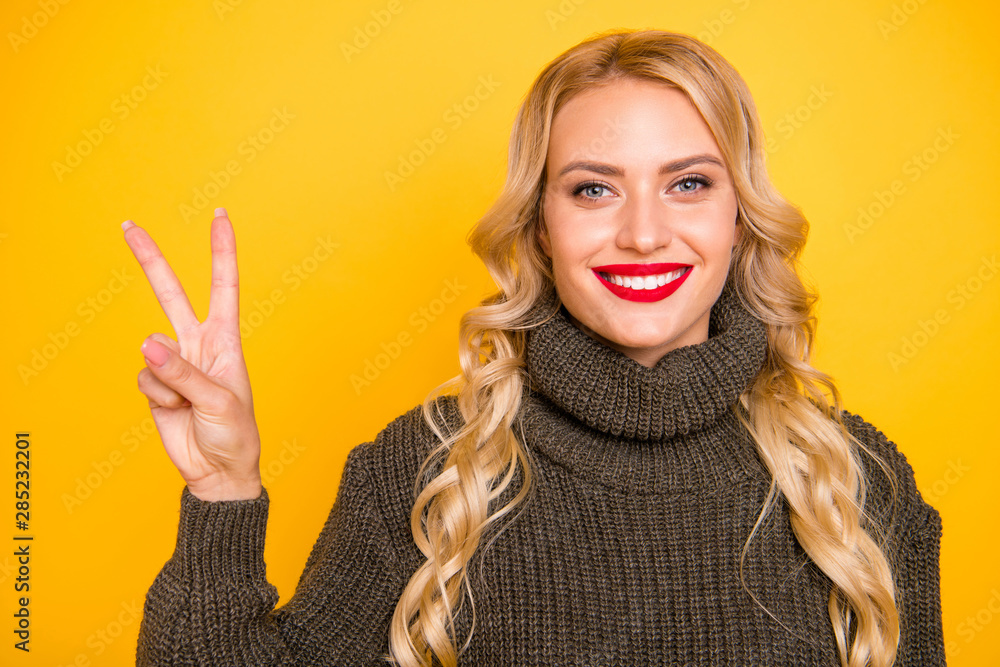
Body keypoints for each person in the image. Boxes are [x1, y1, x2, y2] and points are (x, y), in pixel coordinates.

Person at [125, 29, 944, 667]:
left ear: (740, 215)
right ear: (541, 229)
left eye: (688, 182)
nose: (644, 232)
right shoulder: (422, 475)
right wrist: (222, 491)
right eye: (593, 188)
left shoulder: (857, 485)